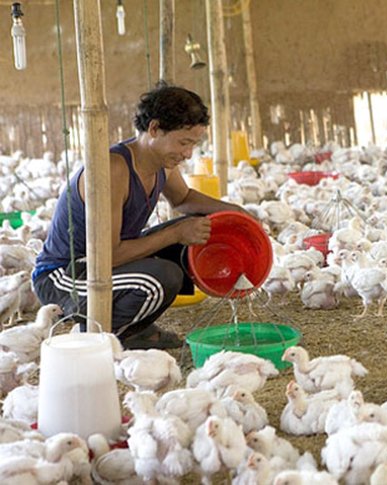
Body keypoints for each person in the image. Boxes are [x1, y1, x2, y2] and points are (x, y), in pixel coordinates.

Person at [33, 83, 246, 349]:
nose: (188, 153)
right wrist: (176, 233)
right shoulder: (113, 169)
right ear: (154, 129)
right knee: (162, 277)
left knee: (193, 235)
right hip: (65, 275)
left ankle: (135, 329)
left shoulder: (161, 164)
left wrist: (234, 212)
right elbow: (108, 254)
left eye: (193, 144)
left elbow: (183, 199)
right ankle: (98, 338)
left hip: (102, 262)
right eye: (183, 142)